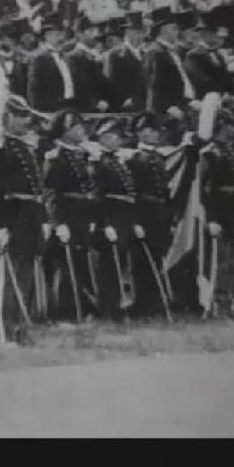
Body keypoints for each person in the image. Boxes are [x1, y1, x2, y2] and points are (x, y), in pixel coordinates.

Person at [0, 95, 50, 338]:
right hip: (13, 218)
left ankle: (21, 327)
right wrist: (0, 226)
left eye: (27, 116)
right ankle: (8, 331)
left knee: (25, 277)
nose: (26, 121)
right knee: (10, 276)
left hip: (30, 218)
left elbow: (37, 189)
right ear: (7, 117)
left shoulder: (25, 147)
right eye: (21, 116)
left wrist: (42, 218)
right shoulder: (1, 149)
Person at [44, 109, 98, 324]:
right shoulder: (55, 157)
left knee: (80, 263)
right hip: (67, 214)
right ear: (64, 132)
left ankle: (82, 309)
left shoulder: (80, 155)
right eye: (75, 127)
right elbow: (50, 192)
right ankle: (64, 315)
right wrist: (58, 222)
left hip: (82, 215)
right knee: (65, 267)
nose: (81, 130)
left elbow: (88, 188)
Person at [92, 118, 141, 320]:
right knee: (109, 267)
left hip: (124, 217)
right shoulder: (98, 163)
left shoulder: (118, 162)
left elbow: (130, 194)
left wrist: (134, 221)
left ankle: (118, 306)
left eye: (118, 136)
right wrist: (105, 224)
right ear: (102, 138)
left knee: (120, 264)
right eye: (112, 136)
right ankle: (107, 309)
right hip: (110, 217)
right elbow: (97, 196)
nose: (117, 140)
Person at [201, 108, 234, 318]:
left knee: (233, 262)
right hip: (220, 211)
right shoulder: (211, 153)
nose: (233, 129)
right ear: (220, 125)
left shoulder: (231, 152)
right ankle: (217, 303)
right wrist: (211, 218)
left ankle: (228, 302)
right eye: (229, 124)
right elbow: (205, 188)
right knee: (220, 260)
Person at [128, 112, 173, 318]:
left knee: (158, 257)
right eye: (149, 130)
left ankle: (157, 301)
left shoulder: (160, 158)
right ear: (139, 133)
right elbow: (132, 193)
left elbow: (165, 190)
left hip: (160, 214)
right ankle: (142, 304)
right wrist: (135, 220)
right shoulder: (134, 159)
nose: (154, 134)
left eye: (156, 131)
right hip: (144, 213)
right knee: (142, 261)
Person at [145, 6, 196, 113]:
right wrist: (167, 107)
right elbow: (154, 85)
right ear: (163, 30)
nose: (177, 32)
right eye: (173, 28)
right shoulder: (155, 51)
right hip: (168, 110)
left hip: (183, 104)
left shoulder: (172, 51)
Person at [185, 7, 234, 100]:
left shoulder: (217, 55)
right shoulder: (193, 55)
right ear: (205, 34)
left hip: (222, 100)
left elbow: (227, 77)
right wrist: (223, 93)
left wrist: (231, 93)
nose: (220, 37)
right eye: (215, 33)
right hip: (205, 101)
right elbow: (201, 81)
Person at [27, 15, 76, 112]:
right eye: (57, 35)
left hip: (69, 104)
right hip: (50, 108)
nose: (61, 38)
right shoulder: (38, 57)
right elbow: (33, 89)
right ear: (47, 36)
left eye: (61, 34)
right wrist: (38, 112)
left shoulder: (65, 56)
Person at [106, 11, 148, 112]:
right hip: (126, 107)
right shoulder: (115, 55)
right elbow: (112, 83)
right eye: (135, 32)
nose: (139, 36)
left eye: (140, 32)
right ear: (127, 32)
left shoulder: (146, 54)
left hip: (145, 105)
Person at [66, 16, 108, 112]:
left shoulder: (96, 56)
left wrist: (103, 99)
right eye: (91, 31)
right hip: (83, 111)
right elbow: (79, 86)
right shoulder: (73, 57)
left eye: (96, 31)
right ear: (80, 35)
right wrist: (95, 103)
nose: (95, 34)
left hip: (100, 109)